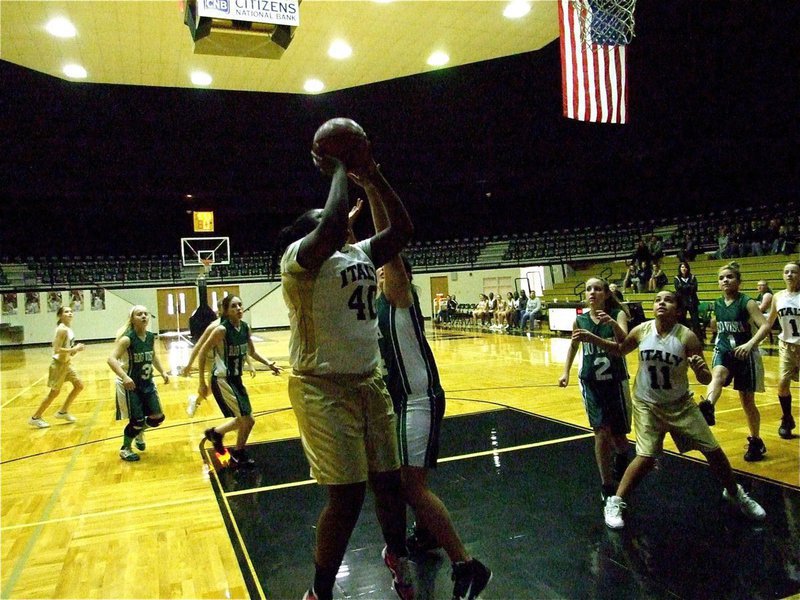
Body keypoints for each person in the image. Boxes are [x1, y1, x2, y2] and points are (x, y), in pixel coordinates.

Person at [278, 147, 414, 600]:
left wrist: (374, 177)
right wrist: (338, 167)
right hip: (322, 387)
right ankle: (319, 591)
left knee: (390, 484)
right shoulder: (299, 260)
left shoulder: (356, 251)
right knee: (348, 495)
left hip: (368, 381)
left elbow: (402, 230)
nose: (345, 223)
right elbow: (333, 223)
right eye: (330, 221)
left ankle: (396, 554)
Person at [370, 188, 492, 597]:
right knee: (401, 479)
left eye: (384, 268)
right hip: (400, 402)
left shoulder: (400, 296)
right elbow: (361, 253)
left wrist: (371, 186)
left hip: (419, 398)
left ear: (396, 271)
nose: (377, 271)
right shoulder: (376, 304)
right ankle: (425, 532)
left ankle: (467, 566)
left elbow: (386, 241)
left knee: (411, 486)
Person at [573, 290, 766, 529]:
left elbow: (707, 379)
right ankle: (615, 501)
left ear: (678, 310)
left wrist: (699, 370)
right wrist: (596, 339)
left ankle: (735, 493)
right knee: (645, 457)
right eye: (657, 300)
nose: (661, 303)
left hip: (680, 405)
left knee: (713, 449)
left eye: (668, 300)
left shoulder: (687, 337)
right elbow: (620, 350)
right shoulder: (642, 330)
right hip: (647, 405)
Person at [559, 278, 632, 501]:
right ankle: (607, 486)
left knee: (620, 438)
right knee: (601, 432)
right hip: (591, 383)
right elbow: (573, 346)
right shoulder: (579, 320)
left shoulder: (617, 316)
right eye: (588, 289)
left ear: (606, 294)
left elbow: (626, 343)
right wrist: (566, 372)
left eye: (597, 289)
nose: (592, 292)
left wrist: (612, 324)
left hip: (616, 382)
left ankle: (621, 458)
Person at [698, 262, 772, 462]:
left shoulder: (747, 302)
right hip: (724, 349)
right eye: (721, 278)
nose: (725, 280)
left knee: (747, 402)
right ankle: (708, 406)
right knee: (718, 375)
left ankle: (756, 441)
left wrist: (750, 344)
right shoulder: (717, 303)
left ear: (738, 281)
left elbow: (765, 326)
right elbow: (719, 326)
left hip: (745, 353)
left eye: (729, 277)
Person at [197, 295, 281, 467]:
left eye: (240, 305)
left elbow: (252, 352)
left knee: (245, 418)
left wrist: (269, 363)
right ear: (226, 311)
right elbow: (202, 352)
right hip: (222, 379)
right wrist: (201, 382)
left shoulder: (244, 327)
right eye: (234, 306)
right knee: (248, 420)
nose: (238, 308)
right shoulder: (221, 330)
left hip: (236, 379)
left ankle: (216, 433)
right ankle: (238, 453)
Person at [107, 306, 169, 462]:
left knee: (157, 417)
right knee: (136, 421)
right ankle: (125, 448)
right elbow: (111, 359)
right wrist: (124, 377)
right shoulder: (127, 339)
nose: (143, 316)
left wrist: (162, 372)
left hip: (147, 383)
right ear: (132, 319)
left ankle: (139, 432)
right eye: (139, 314)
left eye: (145, 314)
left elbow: (153, 356)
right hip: (131, 385)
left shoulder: (150, 336)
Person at [29, 306, 85, 428]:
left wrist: (74, 351)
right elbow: (57, 349)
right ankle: (35, 417)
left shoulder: (68, 329)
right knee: (54, 393)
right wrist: (74, 349)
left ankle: (63, 411)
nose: (70, 313)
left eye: (71, 311)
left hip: (67, 364)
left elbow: (67, 349)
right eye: (66, 312)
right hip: (58, 365)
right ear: (60, 315)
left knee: (79, 385)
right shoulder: (61, 330)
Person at [766, 261, 800, 439]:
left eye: (793, 272)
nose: (789, 275)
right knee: (782, 384)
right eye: (786, 271)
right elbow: (769, 322)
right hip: (786, 345)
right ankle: (787, 418)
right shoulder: (777, 297)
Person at [674, 261, 700, 338]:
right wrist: (688, 286)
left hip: (692, 301)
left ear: (688, 268)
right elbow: (678, 289)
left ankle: (698, 338)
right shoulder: (677, 278)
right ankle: (682, 337)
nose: (684, 268)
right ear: (679, 269)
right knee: (682, 320)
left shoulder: (692, 277)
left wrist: (683, 287)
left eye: (685, 267)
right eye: (682, 267)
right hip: (682, 302)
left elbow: (694, 288)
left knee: (695, 321)